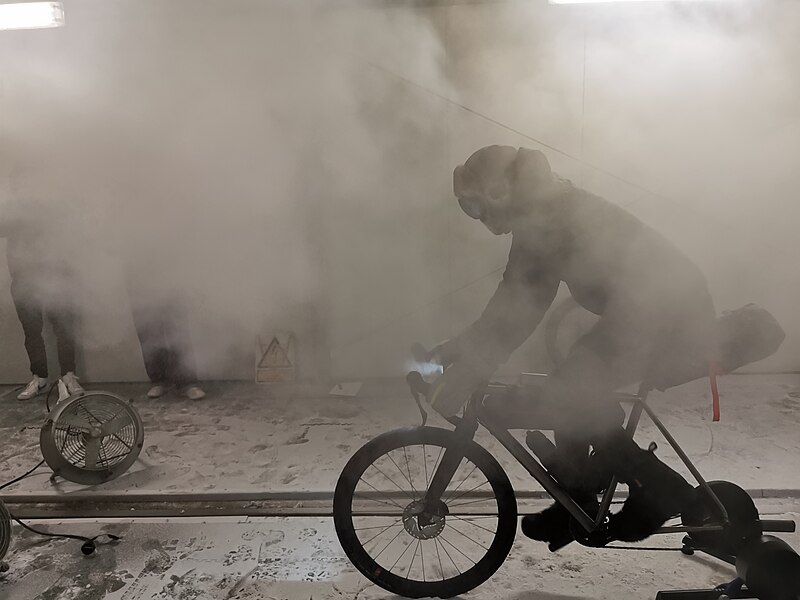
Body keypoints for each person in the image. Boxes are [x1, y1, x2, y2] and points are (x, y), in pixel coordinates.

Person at [428, 145, 716, 548]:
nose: (478, 220)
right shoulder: (544, 211)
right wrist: (460, 349)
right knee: (569, 386)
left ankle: (658, 487)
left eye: (474, 208)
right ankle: (576, 501)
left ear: (498, 191)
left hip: (670, 311)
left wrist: (470, 359)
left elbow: (517, 310)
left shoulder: (546, 221)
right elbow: (513, 306)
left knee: (572, 386)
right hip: (651, 308)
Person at [1, 173, 85, 402]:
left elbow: (73, 226)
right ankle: (39, 377)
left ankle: (68, 376)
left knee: (65, 329)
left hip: (57, 277)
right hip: (24, 279)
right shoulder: (13, 210)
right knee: (31, 332)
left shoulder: (54, 206)